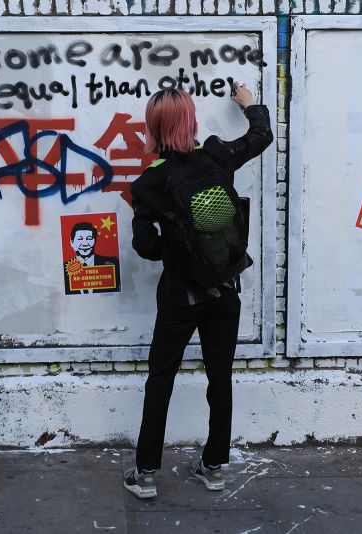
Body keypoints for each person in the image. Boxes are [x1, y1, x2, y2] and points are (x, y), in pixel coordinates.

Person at [123, 84, 273, 499]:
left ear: (153, 128)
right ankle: (213, 467)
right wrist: (247, 103)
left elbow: (145, 248)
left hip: (179, 296)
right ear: (190, 122)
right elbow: (262, 136)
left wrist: (171, 240)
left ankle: (147, 473)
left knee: (161, 379)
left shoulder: (148, 184)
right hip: (224, 290)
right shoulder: (216, 157)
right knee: (220, 377)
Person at [63, 221, 121, 294]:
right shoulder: (64, 269)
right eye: (80, 239)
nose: (84, 244)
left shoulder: (113, 263)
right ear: (72, 242)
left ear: (95, 241)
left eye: (89, 238)